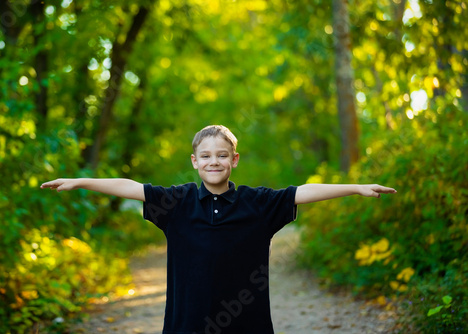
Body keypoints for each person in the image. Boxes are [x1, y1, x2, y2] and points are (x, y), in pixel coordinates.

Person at [41, 125, 397, 334]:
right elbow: (131, 187)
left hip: (247, 325)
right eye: (207, 156)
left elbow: (303, 192)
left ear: (234, 160)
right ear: (195, 162)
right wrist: (80, 181)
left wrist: (355, 188)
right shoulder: (176, 203)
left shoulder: (257, 204)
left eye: (222, 155)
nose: (215, 162)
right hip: (186, 325)